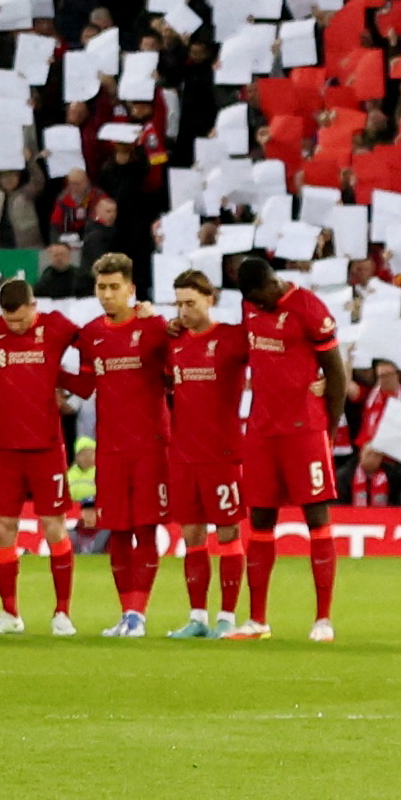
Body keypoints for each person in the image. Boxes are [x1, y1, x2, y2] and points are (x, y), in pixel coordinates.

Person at [231, 247, 348, 641]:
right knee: (260, 521)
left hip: (304, 430)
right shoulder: (249, 307)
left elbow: (337, 376)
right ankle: (258, 620)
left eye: (258, 296)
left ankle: (323, 619)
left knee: (316, 517)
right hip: (263, 429)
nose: (255, 305)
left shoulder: (309, 308)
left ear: (269, 284)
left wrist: (326, 433)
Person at [74, 250, 176, 637]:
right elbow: (84, 385)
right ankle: (126, 614)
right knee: (116, 531)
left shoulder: (154, 328)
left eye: (115, 287)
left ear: (131, 289)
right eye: (101, 287)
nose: (107, 295)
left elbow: (174, 374)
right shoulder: (91, 335)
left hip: (151, 445)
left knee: (145, 529)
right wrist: (46, 376)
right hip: (111, 448)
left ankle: (138, 614)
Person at [0, 270, 76, 634]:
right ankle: (9, 614)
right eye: (8, 321)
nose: (15, 327)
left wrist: (69, 383)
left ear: (34, 306)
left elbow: (95, 343)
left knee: (53, 526)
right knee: (3, 528)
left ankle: (62, 613)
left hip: (47, 446)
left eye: (21, 319)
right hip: (2, 447)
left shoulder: (58, 326)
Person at [161, 267, 250, 638]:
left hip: (222, 452)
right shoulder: (173, 342)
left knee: (228, 532)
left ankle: (227, 617)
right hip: (183, 454)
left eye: (191, 303)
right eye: (179, 304)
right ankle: (197, 617)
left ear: (210, 300)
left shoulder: (230, 338)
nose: (184, 311)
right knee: (192, 535)